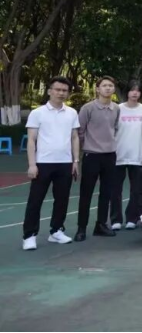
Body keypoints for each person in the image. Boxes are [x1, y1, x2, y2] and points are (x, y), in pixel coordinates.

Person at [22, 77, 80, 251]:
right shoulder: (37, 113)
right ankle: (29, 236)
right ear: (49, 91)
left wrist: (75, 161)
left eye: (64, 90)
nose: (61, 93)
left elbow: (74, 137)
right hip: (43, 163)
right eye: (57, 89)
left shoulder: (72, 113)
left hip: (65, 163)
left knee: (62, 199)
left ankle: (56, 231)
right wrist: (32, 164)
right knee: (35, 200)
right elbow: (31, 140)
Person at [75, 76, 121, 242]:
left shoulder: (116, 108)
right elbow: (80, 131)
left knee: (106, 193)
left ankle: (101, 225)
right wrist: (85, 148)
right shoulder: (88, 108)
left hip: (110, 155)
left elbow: (115, 128)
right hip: (91, 155)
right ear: (97, 89)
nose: (108, 88)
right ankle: (81, 228)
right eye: (104, 85)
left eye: (110, 85)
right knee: (86, 193)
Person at [112, 81, 142, 231]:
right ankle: (115, 219)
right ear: (127, 92)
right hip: (118, 155)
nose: (135, 93)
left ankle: (132, 218)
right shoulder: (117, 109)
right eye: (132, 90)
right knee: (115, 190)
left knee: (136, 190)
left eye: (138, 91)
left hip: (138, 155)